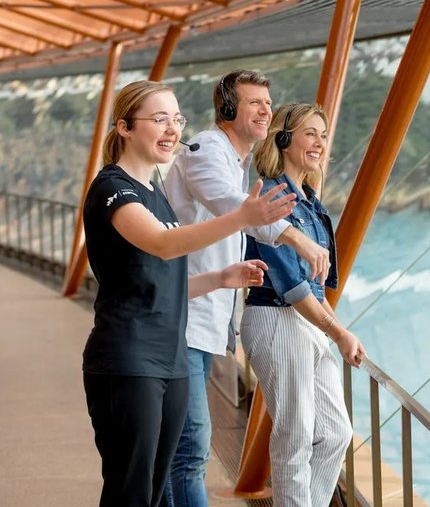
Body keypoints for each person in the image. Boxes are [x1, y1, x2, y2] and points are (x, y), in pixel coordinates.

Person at [82, 80, 295, 507]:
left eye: (177, 119)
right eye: (159, 119)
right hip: (128, 359)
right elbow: (162, 245)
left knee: (159, 490)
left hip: (172, 359)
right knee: (132, 491)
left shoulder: (156, 192)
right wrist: (241, 217)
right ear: (124, 127)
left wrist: (219, 278)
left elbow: (161, 280)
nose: (172, 129)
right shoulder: (112, 188)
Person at [164, 70, 331, 507]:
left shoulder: (234, 163)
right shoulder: (205, 150)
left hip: (204, 319)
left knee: (182, 450)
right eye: (254, 102)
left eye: (266, 103)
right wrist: (296, 236)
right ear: (229, 109)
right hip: (185, 319)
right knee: (190, 451)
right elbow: (234, 208)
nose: (264, 110)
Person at [240, 103, 365, 507]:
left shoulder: (311, 202)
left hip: (308, 324)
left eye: (324, 135)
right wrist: (339, 332)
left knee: (335, 433)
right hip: (276, 318)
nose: (319, 143)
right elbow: (292, 287)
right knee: (296, 434)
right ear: (283, 138)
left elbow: (317, 287)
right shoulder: (272, 197)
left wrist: (333, 328)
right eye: (310, 133)